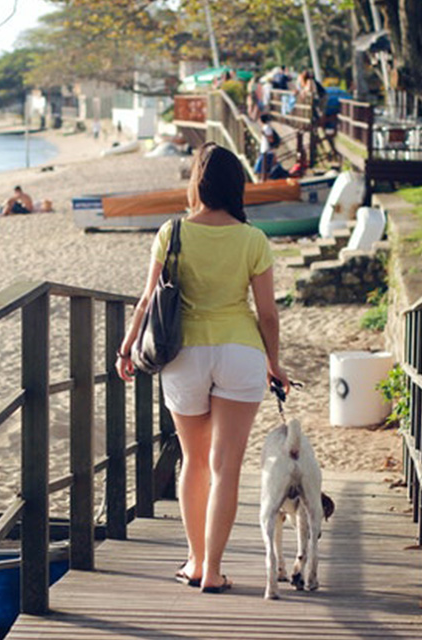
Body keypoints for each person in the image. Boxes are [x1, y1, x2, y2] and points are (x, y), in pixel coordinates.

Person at [116, 142, 289, 593]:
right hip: (241, 353)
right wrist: (274, 362)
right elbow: (267, 313)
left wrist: (127, 346)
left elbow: (147, 300)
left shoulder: (172, 232)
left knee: (193, 460)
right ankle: (213, 570)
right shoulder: (253, 239)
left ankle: (194, 563)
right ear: (237, 187)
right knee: (226, 465)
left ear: (197, 183)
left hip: (185, 355)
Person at [254, 114, 277, 181]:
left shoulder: (267, 128)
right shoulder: (265, 127)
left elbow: (271, 139)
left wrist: (264, 134)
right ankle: (263, 181)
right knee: (260, 169)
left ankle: (264, 182)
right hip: (264, 150)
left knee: (264, 169)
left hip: (267, 151)